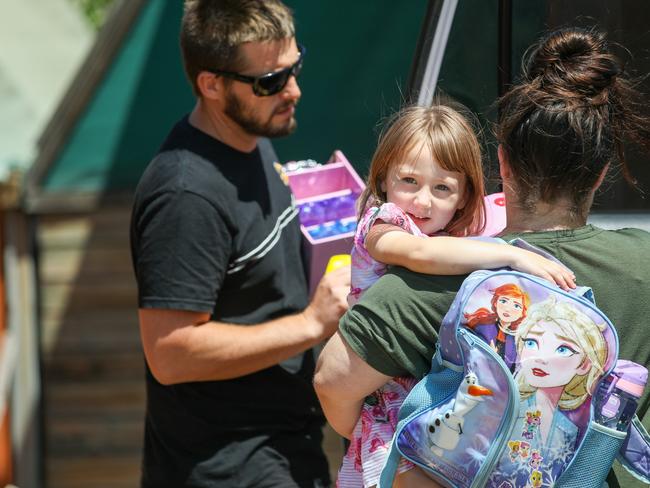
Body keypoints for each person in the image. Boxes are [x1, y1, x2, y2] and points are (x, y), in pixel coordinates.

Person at [314, 27, 650, 487]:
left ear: (503, 165)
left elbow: (332, 382)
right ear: (599, 175)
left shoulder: (428, 283)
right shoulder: (644, 263)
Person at [130, 1, 350, 487]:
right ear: (212, 85)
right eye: (270, 81)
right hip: (227, 468)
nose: (293, 89)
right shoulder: (185, 195)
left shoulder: (249, 141)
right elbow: (169, 353)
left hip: (286, 448)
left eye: (295, 67)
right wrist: (312, 323)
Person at [336, 104, 575, 488]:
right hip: (384, 409)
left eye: (442, 187)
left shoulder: (453, 242)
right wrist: (512, 254)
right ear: (383, 181)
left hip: (430, 406)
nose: (422, 201)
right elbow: (420, 255)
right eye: (409, 181)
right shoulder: (382, 224)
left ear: (464, 197)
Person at [493, 297, 608, 487]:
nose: (541, 358)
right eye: (531, 343)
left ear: (585, 364)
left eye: (562, 349)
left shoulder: (569, 430)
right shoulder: (507, 409)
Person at [464, 283, 530, 371]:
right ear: (495, 302)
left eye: (516, 306)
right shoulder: (483, 327)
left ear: (522, 312)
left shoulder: (519, 338)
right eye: (503, 301)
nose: (508, 309)